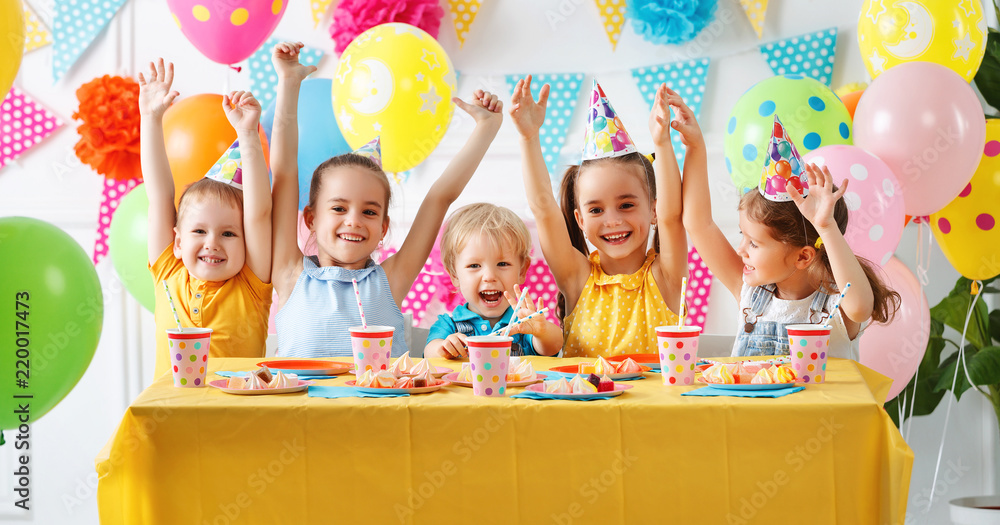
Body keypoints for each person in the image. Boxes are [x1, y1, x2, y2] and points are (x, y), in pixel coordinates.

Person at [268, 42, 504, 358]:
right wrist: (289, 83)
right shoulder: (290, 273)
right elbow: (283, 173)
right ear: (310, 218)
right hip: (302, 409)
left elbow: (439, 197)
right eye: (339, 207)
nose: (353, 220)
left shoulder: (390, 279)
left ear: (383, 227)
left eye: (369, 211)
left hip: (381, 408)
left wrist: (486, 129)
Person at [510, 77, 687, 358]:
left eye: (626, 205)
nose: (613, 220)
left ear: (654, 210)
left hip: (651, 404)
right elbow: (544, 210)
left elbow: (673, 217)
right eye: (596, 210)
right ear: (580, 220)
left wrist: (663, 143)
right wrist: (528, 138)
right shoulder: (576, 277)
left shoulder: (666, 278)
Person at [139, 59, 273, 377]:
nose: (212, 243)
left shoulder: (251, 286)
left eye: (228, 234)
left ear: (247, 243)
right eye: (199, 230)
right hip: (171, 422)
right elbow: (159, 195)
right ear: (176, 241)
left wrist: (248, 134)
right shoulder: (168, 273)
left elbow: (259, 214)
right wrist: (150, 118)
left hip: (239, 423)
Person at [424, 203, 563, 358]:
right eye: (474, 265)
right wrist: (443, 349)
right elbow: (430, 353)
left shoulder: (523, 324)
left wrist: (542, 332)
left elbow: (554, 346)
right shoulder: (449, 325)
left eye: (502, 264)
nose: (489, 276)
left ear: (522, 271)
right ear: (454, 276)